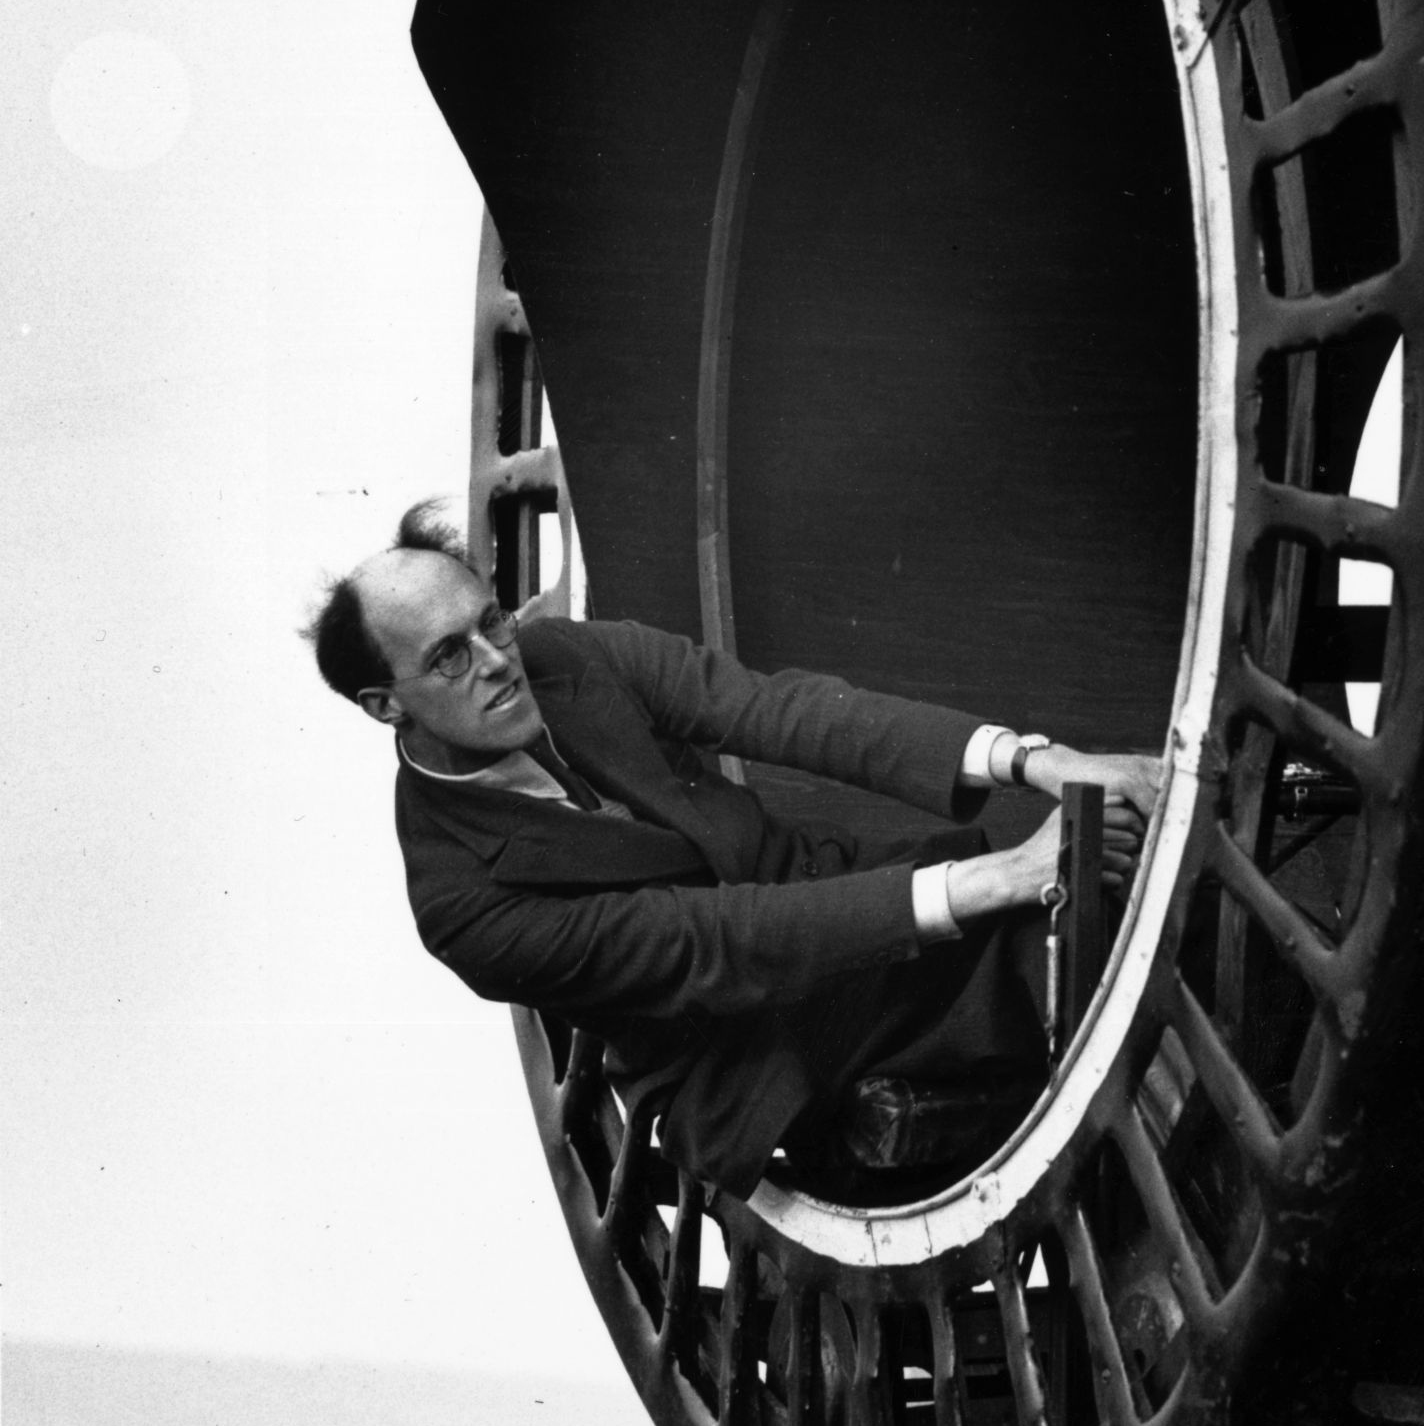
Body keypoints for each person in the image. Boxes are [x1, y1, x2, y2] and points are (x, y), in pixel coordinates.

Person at [307, 502, 1158, 1196]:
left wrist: (1041, 761)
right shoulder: (462, 906)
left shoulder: (564, 653)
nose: (498, 660)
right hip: (753, 1048)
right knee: (1083, 946)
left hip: (848, 923)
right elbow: (715, 940)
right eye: (451, 658)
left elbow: (775, 710)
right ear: (387, 706)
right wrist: (1001, 877)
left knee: (1114, 915)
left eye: (491, 618)